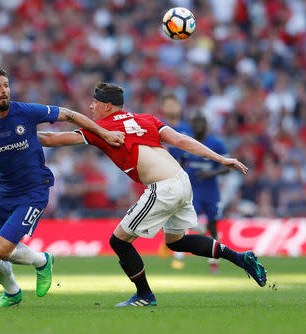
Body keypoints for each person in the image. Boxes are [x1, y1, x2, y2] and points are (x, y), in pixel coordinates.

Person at [37, 82, 267, 307]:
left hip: (164, 186)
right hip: (181, 180)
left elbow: (51, 139)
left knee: (118, 241)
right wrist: (221, 158)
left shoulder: (103, 129)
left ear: (107, 106)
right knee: (176, 242)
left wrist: (14, 133)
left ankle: (145, 295)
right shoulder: (145, 119)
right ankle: (240, 258)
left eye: (95, 102)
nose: (90, 107)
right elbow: (181, 140)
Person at [0, 68, 124, 308]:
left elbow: (68, 114)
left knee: (2, 250)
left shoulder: (24, 111)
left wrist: (103, 132)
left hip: (33, 190)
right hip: (3, 191)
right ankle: (12, 293)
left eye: (6, 85)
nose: (4, 91)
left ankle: (42, 261)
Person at [182, 112, 230, 273]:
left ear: (206, 127)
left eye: (202, 124)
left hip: (211, 192)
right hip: (192, 191)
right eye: (196, 124)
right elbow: (180, 163)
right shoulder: (185, 142)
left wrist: (209, 174)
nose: (199, 127)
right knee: (187, 220)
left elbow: (226, 168)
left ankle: (213, 262)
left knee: (214, 227)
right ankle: (202, 230)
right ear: (192, 127)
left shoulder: (216, 143)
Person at [159, 94, 193, 269]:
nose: (171, 108)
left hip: (184, 177)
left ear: (179, 107)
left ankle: (178, 256)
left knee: (180, 214)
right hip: (163, 177)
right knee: (169, 212)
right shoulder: (159, 127)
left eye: (174, 104)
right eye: (168, 104)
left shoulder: (187, 129)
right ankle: (169, 243)